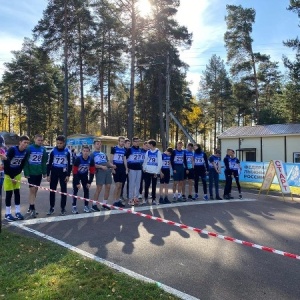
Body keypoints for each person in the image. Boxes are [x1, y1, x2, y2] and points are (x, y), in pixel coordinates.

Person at [1, 135, 30, 221]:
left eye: (27, 143)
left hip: (17, 174)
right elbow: (6, 164)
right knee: (9, 194)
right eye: (24, 142)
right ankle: (7, 213)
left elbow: (22, 164)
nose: (26, 145)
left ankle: (17, 212)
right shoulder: (12, 150)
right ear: (20, 142)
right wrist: (11, 176)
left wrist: (17, 174)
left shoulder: (25, 151)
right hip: (8, 174)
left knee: (17, 192)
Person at [23, 134, 48, 218]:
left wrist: (44, 172)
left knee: (35, 190)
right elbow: (25, 161)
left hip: (39, 173)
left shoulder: (43, 149)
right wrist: (26, 172)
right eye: (38, 140)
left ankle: (31, 206)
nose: (40, 142)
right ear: (35, 140)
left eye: (41, 140)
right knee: (32, 190)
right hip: (31, 173)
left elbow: (44, 162)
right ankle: (33, 208)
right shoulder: (29, 148)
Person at [46, 135, 71, 216]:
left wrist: (68, 175)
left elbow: (70, 164)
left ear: (64, 143)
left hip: (63, 173)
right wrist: (48, 174)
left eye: (60, 143)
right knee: (52, 190)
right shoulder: (53, 151)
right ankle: (51, 207)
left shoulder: (68, 151)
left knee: (64, 191)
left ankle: (63, 208)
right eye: (57, 143)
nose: (59, 145)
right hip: (54, 172)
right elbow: (49, 163)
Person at [91, 139, 115, 211]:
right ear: (94, 145)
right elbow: (92, 165)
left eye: (100, 144)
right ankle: (94, 205)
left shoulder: (103, 154)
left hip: (107, 171)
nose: (99, 145)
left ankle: (104, 204)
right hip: (100, 171)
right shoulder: (92, 154)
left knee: (108, 187)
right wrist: (101, 167)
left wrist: (112, 166)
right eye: (97, 144)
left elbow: (107, 162)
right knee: (99, 188)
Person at [72, 145, 95, 214]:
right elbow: (74, 171)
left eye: (87, 151)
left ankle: (86, 205)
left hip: (84, 175)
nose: (85, 153)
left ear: (89, 152)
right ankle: (74, 206)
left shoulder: (91, 159)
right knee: (75, 190)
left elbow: (92, 172)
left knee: (86, 190)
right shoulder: (78, 159)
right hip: (77, 175)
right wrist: (77, 183)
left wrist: (89, 182)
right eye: (84, 151)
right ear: (82, 151)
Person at [142, 139, 162, 205]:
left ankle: (153, 199)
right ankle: (145, 198)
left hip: (154, 172)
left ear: (151, 145)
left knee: (154, 186)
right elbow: (145, 160)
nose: (147, 146)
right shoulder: (148, 152)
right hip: (147, 171)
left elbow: (160, 163)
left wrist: (156, 172)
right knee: (146, 185)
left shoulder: (158, 152)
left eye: (148, 144)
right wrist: (144, 168)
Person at [111, 136, 128, 207]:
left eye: (123, 142)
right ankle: (114, 201)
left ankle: (118, 200)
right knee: (117, 185)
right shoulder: (114, 148)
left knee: (121, 186)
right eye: (121, 141)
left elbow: (124, 159)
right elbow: (111, 159)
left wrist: (126, 168)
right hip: (116, 167)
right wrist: (112, 168)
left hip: (122, 168)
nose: (122, 143)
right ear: (118, 142)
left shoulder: (124, 150)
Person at [126, 137, 143, 206]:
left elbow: (141, 159)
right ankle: (130, 199)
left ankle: (136, 198)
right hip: (132, 168)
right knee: (131, 184)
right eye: (135, 141)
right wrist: (127, 167)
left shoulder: (140, 149)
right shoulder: (130, 149)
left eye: (138, 141)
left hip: (139, 168)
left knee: (138, 184)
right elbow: (125, 158)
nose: (137, 143)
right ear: (133, 142)